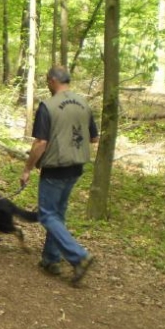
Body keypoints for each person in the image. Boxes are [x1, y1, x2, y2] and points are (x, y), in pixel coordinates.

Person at [20, 65, 99, 285]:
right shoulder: (84, 104)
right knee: (58, 214)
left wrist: (27, 169)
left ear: (53, 80)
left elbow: (41, 143)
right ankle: (51, 259)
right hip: (76, 167)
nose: (47, 83)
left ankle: (79, 256)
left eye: (47, 80)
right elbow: (93, 138)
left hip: (55, 169)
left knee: (47, 215)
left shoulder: (48, 106)